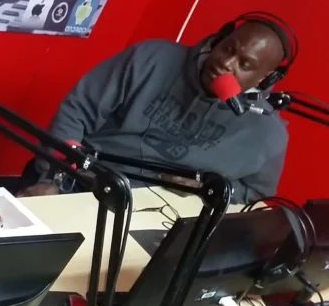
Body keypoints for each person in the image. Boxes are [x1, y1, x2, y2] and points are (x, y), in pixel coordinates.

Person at [19, 13, 294, 203]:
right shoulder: (150, 59)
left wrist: (204, 190)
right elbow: (77, 110)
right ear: (217, 39)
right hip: (82, 184)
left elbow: (255, 192)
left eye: (244, 65)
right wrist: (53, 177)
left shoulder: (266, 132)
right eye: (227, 48)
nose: (226, 63)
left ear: (264, 80)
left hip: (160, 217)